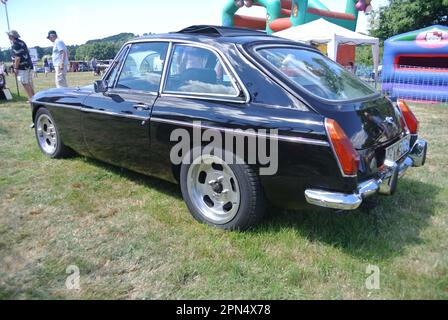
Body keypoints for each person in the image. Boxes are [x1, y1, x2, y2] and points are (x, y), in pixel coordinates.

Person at [6, 30, 35, 102]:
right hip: (29, 65)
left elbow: (17, 57)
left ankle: (31, 99)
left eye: (9, 36)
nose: (8, 37)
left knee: (24, 83)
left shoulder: (15, 44)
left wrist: (15, 68)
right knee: (29, 83)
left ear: (11, 36)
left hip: (22, 67)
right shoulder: (22, 42)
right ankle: (34, 98)